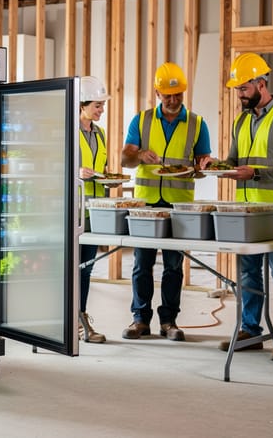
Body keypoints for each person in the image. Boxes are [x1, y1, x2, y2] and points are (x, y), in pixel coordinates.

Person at [216, 53, 273, 362]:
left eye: (243, 88)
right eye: (237, 89)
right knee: (248, 272)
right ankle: (251, 331)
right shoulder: (241, 119)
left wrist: (255, 173)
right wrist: (213, 166)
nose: (239, 94)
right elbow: (233, 160)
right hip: (245, 209)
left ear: (261, 83)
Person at [120, 62, 212, 341]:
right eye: (167, 95)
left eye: (178, 95)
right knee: (141, 263)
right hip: (147, 203)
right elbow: (125, 159)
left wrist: (204, 165)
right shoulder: (142, 120)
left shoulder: (197, 124)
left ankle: (169, 321)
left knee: (173, 265)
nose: (173, 101)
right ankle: (140, 319)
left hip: (179, 204)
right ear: (157, 93)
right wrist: (140, 155)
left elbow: (202, 161)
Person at [77, 75, 114, 343]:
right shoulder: (65, 130)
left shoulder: (99, 134)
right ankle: (68, 321)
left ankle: (80, 317)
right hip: (71, 211)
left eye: (102, 105)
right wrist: (74, 171)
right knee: (68, 267)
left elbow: (98, 170)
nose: (101, 110)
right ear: (82, 105)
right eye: (97, 105)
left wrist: (107, 178)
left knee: (86, 268)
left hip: (93, 212)